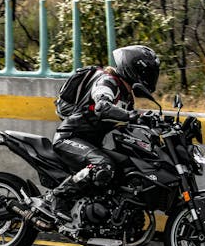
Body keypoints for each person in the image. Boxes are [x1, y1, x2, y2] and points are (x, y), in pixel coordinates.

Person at [49, 45, 161, 221]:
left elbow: (125, 125)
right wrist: (133, 116)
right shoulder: (107, 81)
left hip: (91, 144)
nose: (151, 77)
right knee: (104, 165)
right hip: (70, 138)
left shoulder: (126, 96)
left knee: (126, 165)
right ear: (134, 69)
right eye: (147, 72)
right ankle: (58, 197)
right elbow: (102, 106)